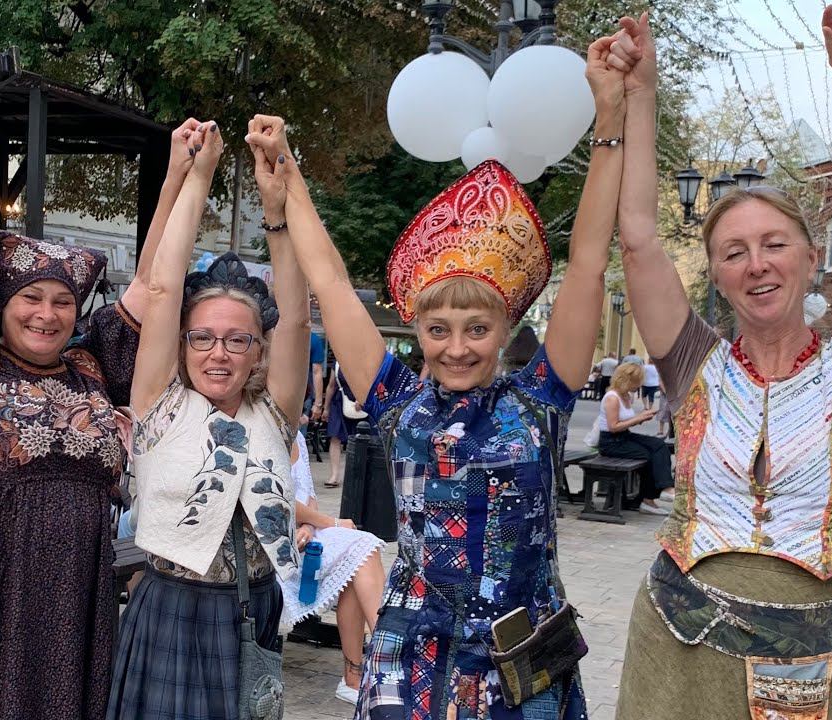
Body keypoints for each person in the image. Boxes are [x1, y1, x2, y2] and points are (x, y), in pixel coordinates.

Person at [247, 29, 635, 718]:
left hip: (524, 658)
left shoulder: (540, 400)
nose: (457, 348)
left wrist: (609, 122)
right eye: (438, 330)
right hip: (414, 655)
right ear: (418, 332)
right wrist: (290, 176)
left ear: (505, 331)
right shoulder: (397, 402)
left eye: (477, 329)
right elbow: (331, 284)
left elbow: (587, 264)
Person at [611, 9, 832, 717]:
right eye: (734, 252)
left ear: (811, 258)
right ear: (718, 275)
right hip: (677, 644)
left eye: (774, 245)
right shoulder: (693, 362)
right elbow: (637, 238)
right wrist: (641, 93)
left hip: (810, 654)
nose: (756, 264)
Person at [0, 113, 206, 718]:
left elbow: (151, 282)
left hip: (78, 602)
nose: (47, 315)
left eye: (63, 302)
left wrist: (178, 171)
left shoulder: (93, 365)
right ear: (4, 305)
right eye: (31, 298)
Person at [106, 119, 309, 720]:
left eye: (237, 340)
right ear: (183, 343)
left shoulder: (274, 412)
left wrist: (277, 212)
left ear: (258, 350)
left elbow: (297, 319)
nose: (218, 353)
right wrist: (198, 176)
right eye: (203, 337)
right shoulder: (161, 405)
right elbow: (162, 291)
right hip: (172, 610)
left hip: (253, 610)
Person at [281, 432, 387, 705]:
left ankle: (365, 669)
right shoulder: (262, 429)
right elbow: (273, 497)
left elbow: (309, 496)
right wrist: (333, 522)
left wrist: (309, 526)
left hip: (305, 535)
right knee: (357, 547)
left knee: (362, 548)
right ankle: (382, 665)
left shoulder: (298, 437)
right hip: (272, 540)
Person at [595, 363, 670, 514]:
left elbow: (625, 422)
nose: (639, 385)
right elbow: (613, 426)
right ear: (627, 380)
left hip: (624, 436)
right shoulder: (612, 398)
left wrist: (642, 417)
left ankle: (665, 488)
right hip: (610, 442)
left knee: (658, 444)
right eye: (637, 382)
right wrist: (638, 419)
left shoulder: (627, 396)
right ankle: (648, 499)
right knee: (648, 456)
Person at [323, 358, 364, 488]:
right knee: (334, 437)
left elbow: (372, 381)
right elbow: (331, 385)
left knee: (360, 439)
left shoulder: (364, 359)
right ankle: (334, 475)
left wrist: (362, 398)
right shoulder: (337, 362)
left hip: (360, 403)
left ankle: (357, 475)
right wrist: (326, 408)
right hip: (339, 402)